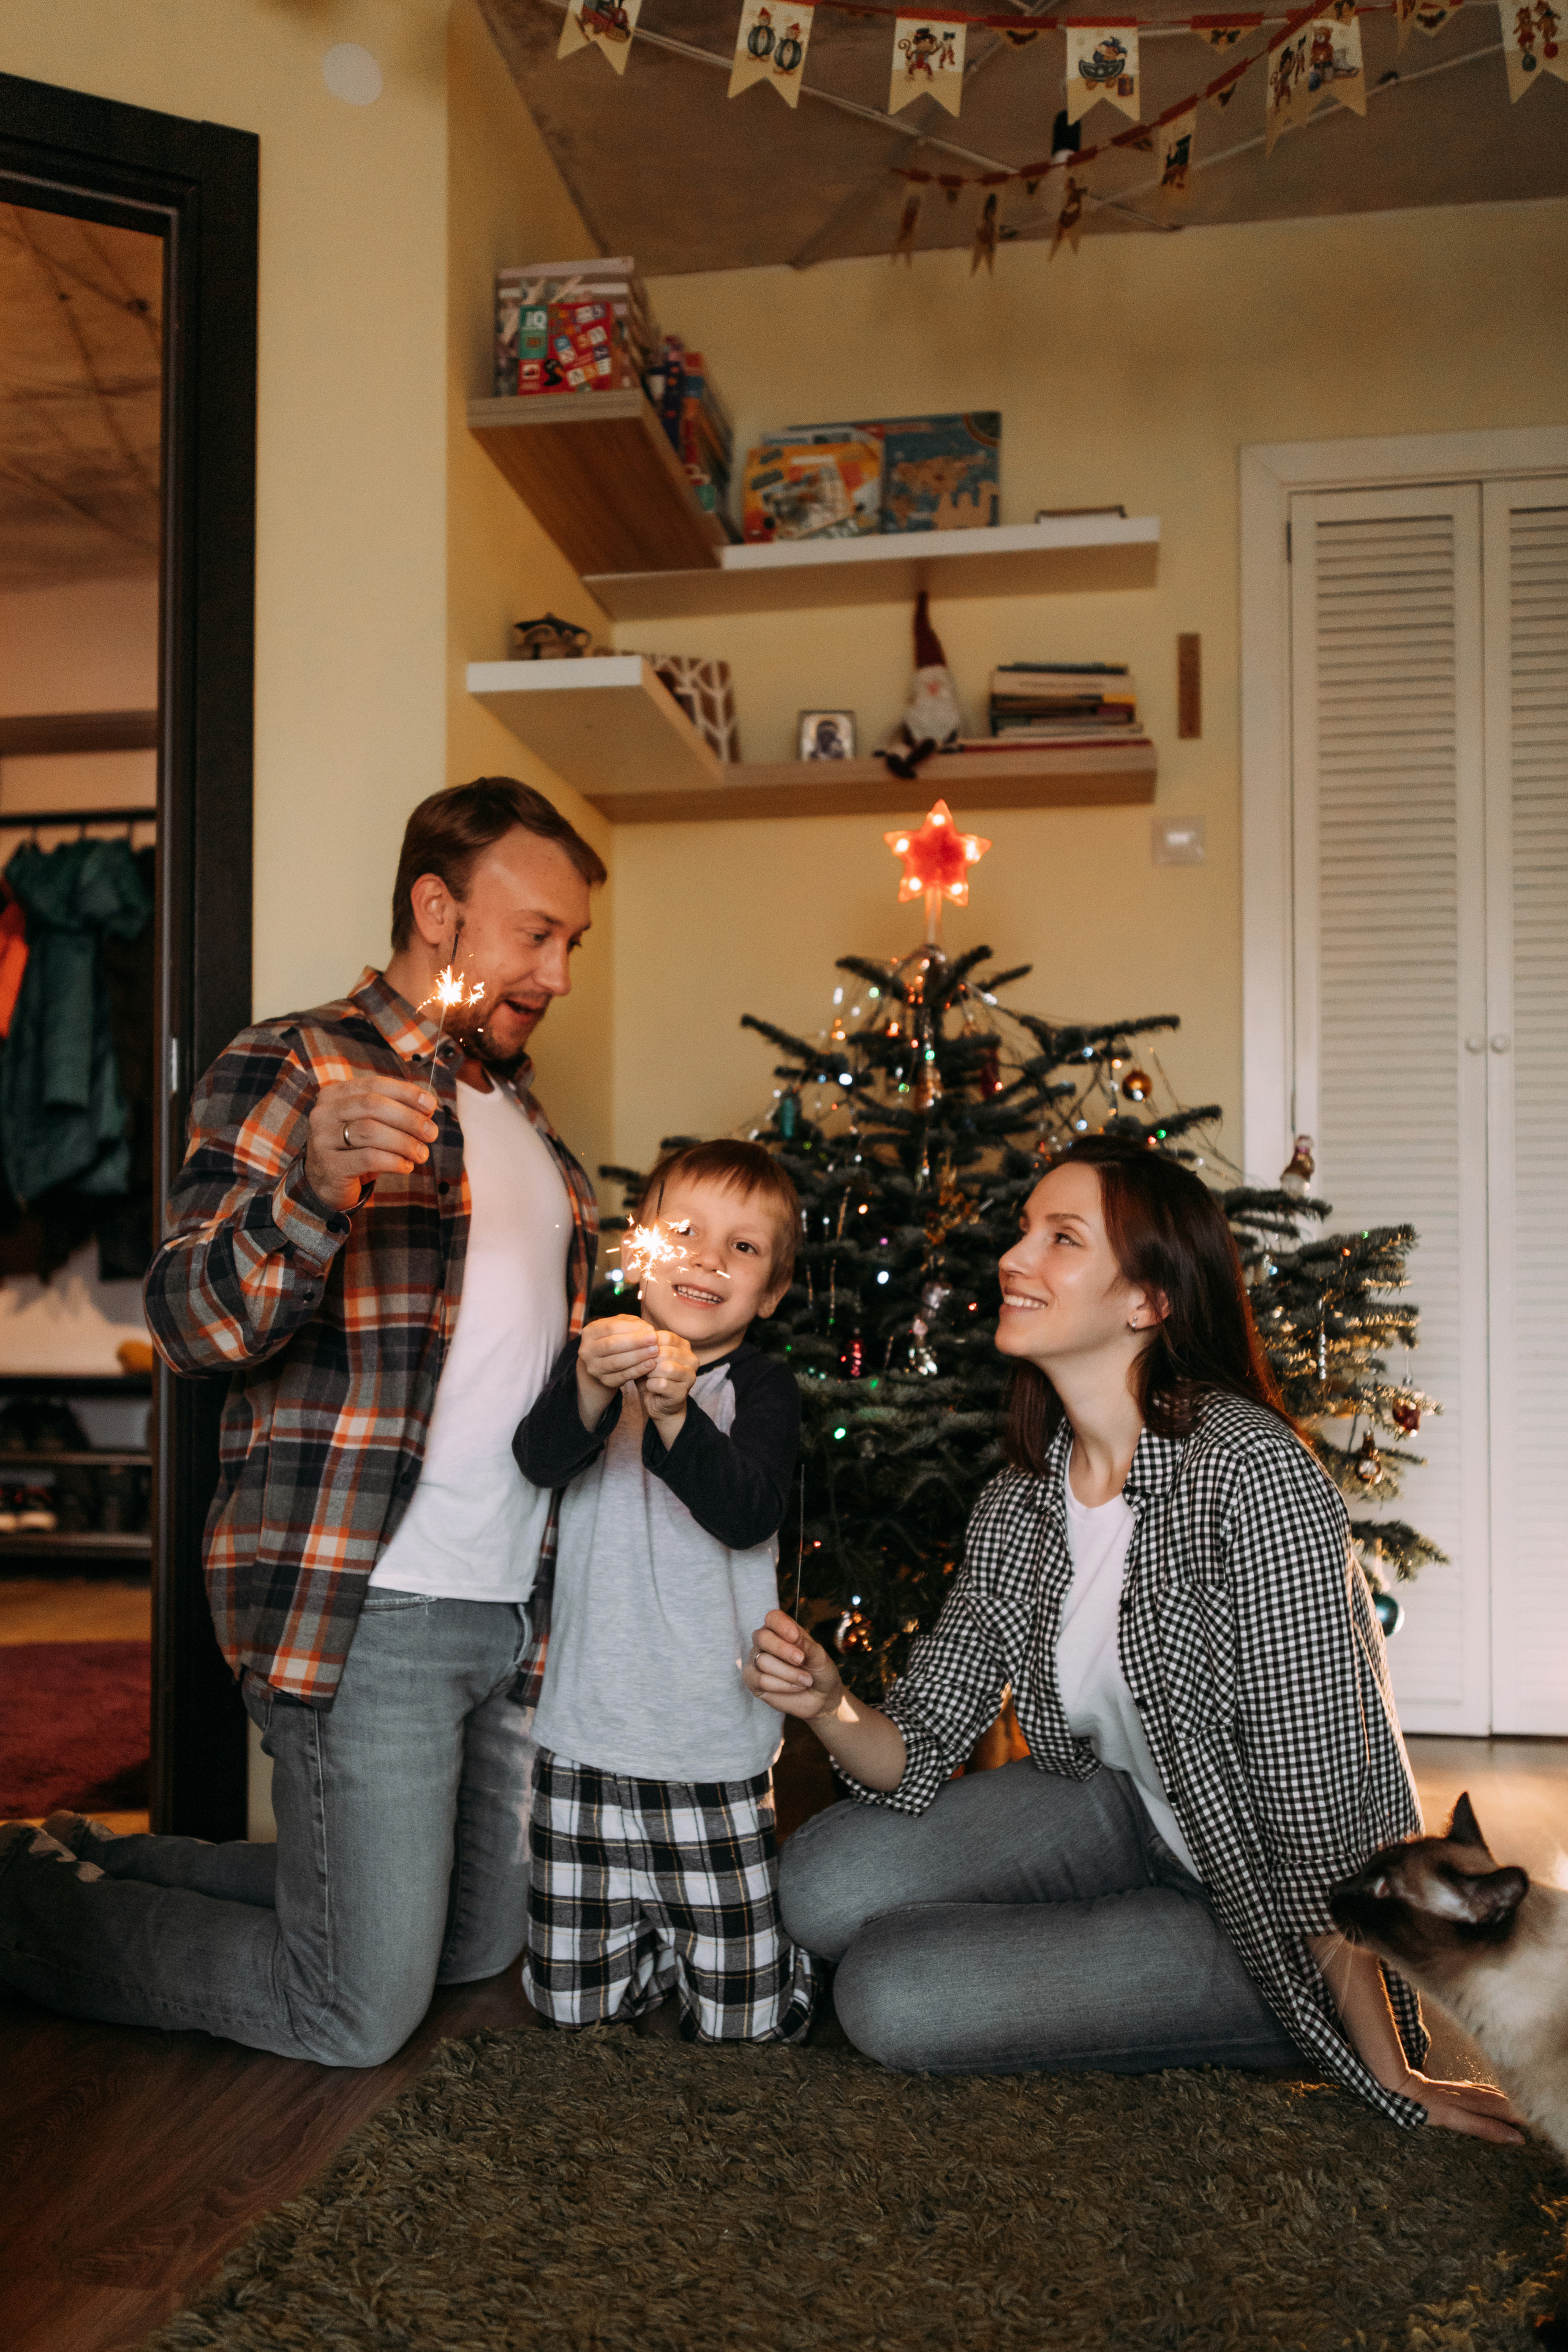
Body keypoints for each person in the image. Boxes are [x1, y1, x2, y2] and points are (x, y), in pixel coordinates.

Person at [746, 1136, 1528, 2143]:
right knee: (818, 1884)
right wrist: (829, 1703)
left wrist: (1391, 2077)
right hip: (1119, 1808)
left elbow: (1322, 1805)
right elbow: (924, 1741)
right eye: (1026, 1231)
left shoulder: (1252, 1475)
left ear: (1147, 1301)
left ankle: (1259, 2015)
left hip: (1268, 1898)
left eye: (1060, 1239)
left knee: (892, 1998)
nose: (1014, 1259)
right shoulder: (1024, 1499)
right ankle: (1090, 1963)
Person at [0, 777, 606, 2066]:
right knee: (354, 2010)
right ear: (436, 909)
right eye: (535, 934)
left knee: (471, 1948)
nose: (557, 972)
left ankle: (94, 1860)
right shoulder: (295, 1063)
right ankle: (22, 1905)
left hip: (514, 1608)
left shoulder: (528, 1122)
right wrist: (314, 1196)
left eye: (572, 945)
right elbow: (188, 1324)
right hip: (367, 1598)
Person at [514, 1139, 816, 2043]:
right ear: (641, 1247)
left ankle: (770, 1963)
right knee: (567, 2011)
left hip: (709, 1748)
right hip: (583, 1739)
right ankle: (643, 1952)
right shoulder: (594, 1365)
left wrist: (678, 1413)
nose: (708, 1259)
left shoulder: (762, 1388)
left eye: (744, 1249)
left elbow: (745, 1512)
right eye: (683, 1232)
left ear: (768, 1294)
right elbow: (537, 1461)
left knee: (746, 2025)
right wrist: (586, 1385)